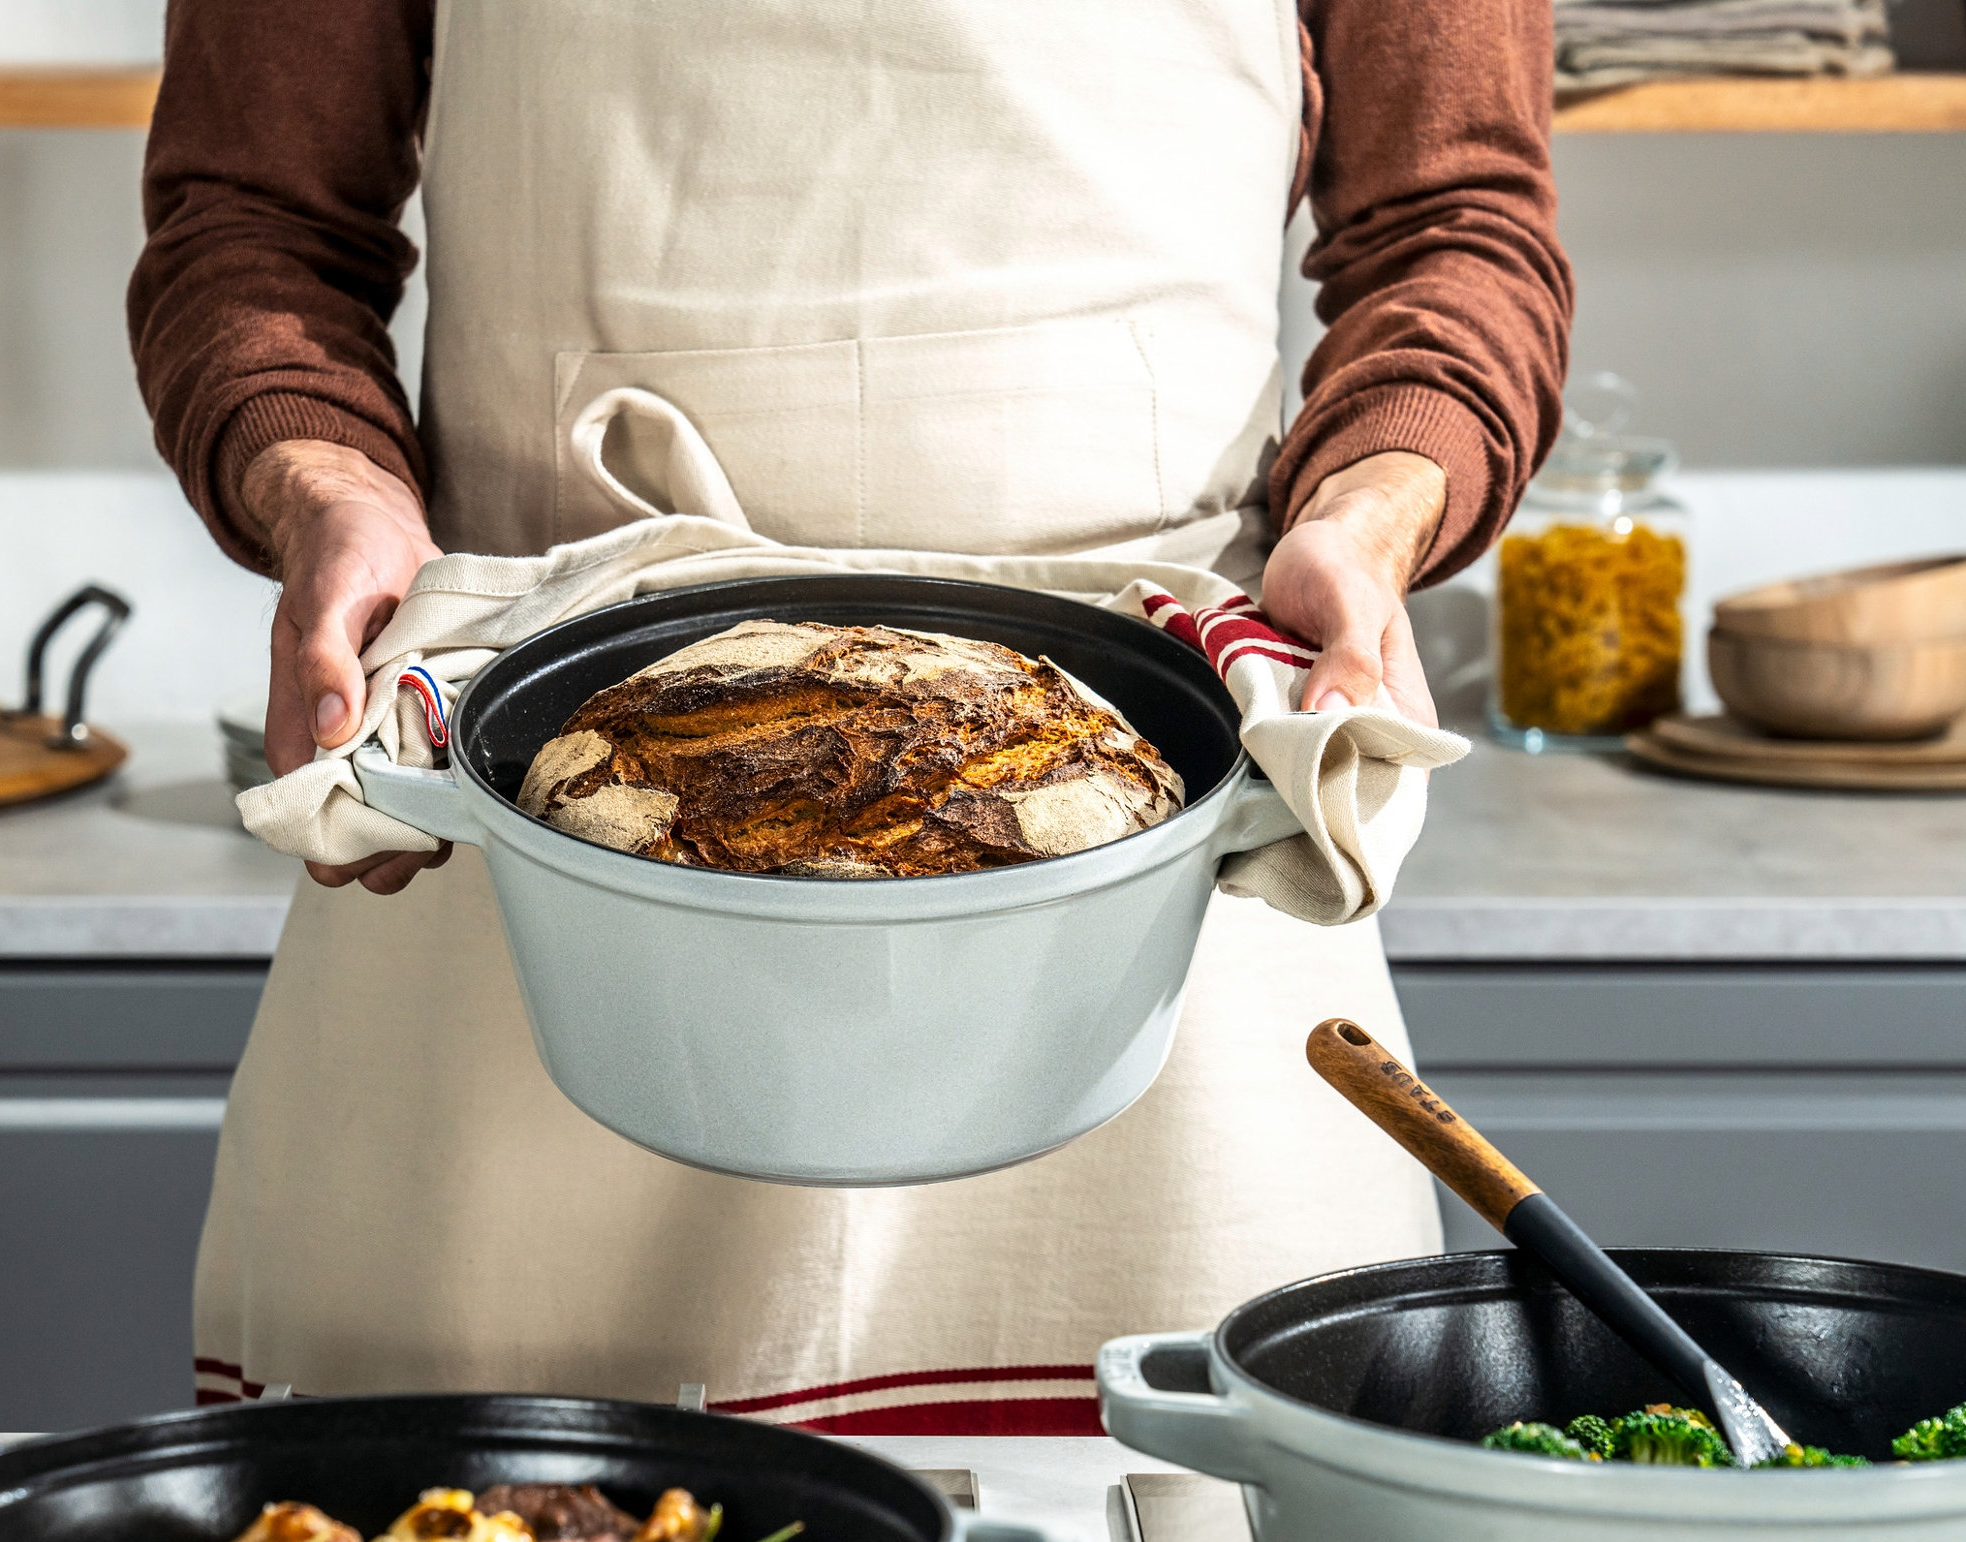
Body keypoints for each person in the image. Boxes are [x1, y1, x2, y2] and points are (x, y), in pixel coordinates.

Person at [131, 0, 1571, 1429]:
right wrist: (326, 483)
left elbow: (1454, 224)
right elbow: (256, 223)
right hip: (536, 788)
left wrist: (1373, 505)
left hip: (1150, 801)